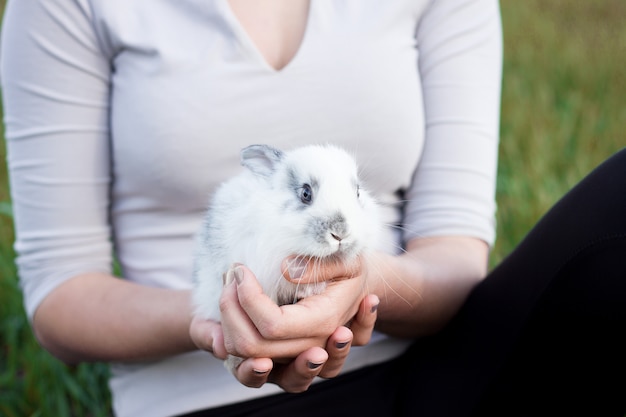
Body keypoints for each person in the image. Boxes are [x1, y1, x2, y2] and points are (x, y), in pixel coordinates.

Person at [1, 0, 624, 416]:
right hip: (203, 399)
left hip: (425, 375)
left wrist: (362, 283)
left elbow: (454, 254)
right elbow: (61, 294)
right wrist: (216, 323)